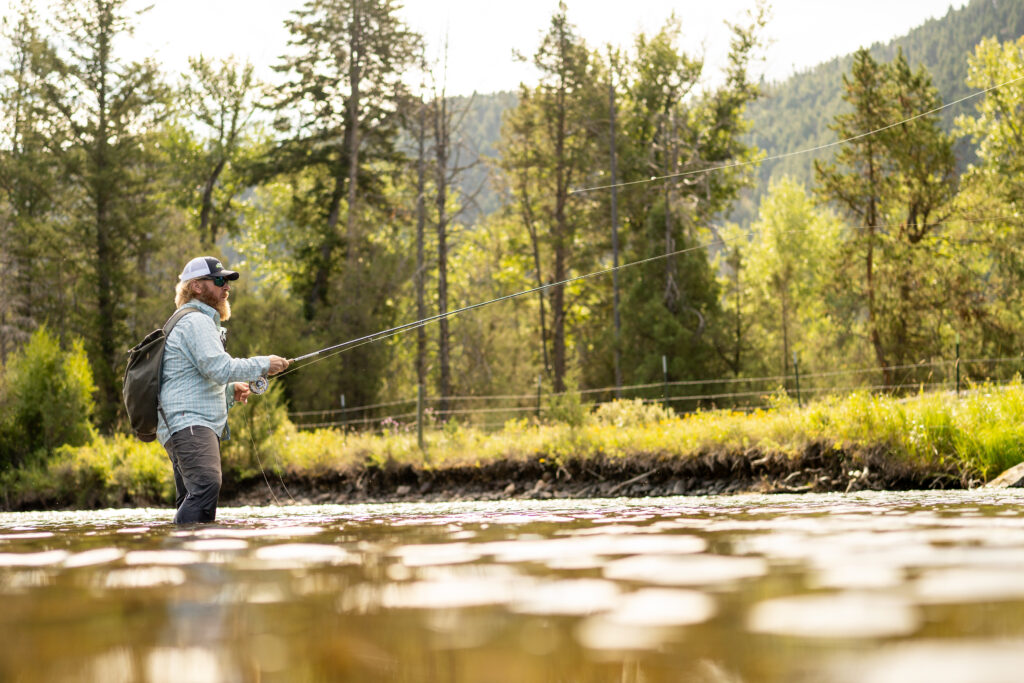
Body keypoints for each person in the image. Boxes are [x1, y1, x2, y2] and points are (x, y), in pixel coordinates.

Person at [157, 256, 290, 524]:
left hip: (184, 423)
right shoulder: (196, 321)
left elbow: (194, 376)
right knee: (206, 486)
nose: (227, 287)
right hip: (189, 423)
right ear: (196, 287)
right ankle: (184, 553)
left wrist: (230, 391)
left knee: (192, 497)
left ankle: (189, 559)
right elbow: (218, 368)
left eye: (227, 281)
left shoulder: (194, 321)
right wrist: (264, 364)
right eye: (219, 281)